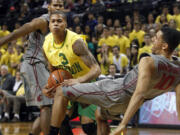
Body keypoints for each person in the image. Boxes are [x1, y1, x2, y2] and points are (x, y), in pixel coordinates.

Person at [45, 26, 180, 135]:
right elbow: (179, 103)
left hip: (114, 92)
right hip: (127, 104)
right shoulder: (178, 68)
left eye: (156, 38)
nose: (152, 40)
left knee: (61, 90)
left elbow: (139, 94)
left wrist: (123, 124)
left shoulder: (148, 60)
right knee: (99, 115)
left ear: (164, 46)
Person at [0, 0, 64, 135]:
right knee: (46, 105)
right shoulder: (42, 22)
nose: (58, 7)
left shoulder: (59, 25)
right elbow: (16, 33)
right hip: (33, 64)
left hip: (41, 66)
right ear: (49, 7)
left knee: (48, 106)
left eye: (61, 5)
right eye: (55, 5)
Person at [42, 11, 101, 135]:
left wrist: (78, 80)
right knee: (61, 119)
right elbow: (53, 69)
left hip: (86, 82)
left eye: (59, 21)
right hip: (67, 83)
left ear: (65, 24)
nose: (56, 24)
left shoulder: (75, 42)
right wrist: (51, 85)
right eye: (53, 21)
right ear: (49, 26)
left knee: (88, 127)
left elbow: (96, 69)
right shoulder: (46, 44)